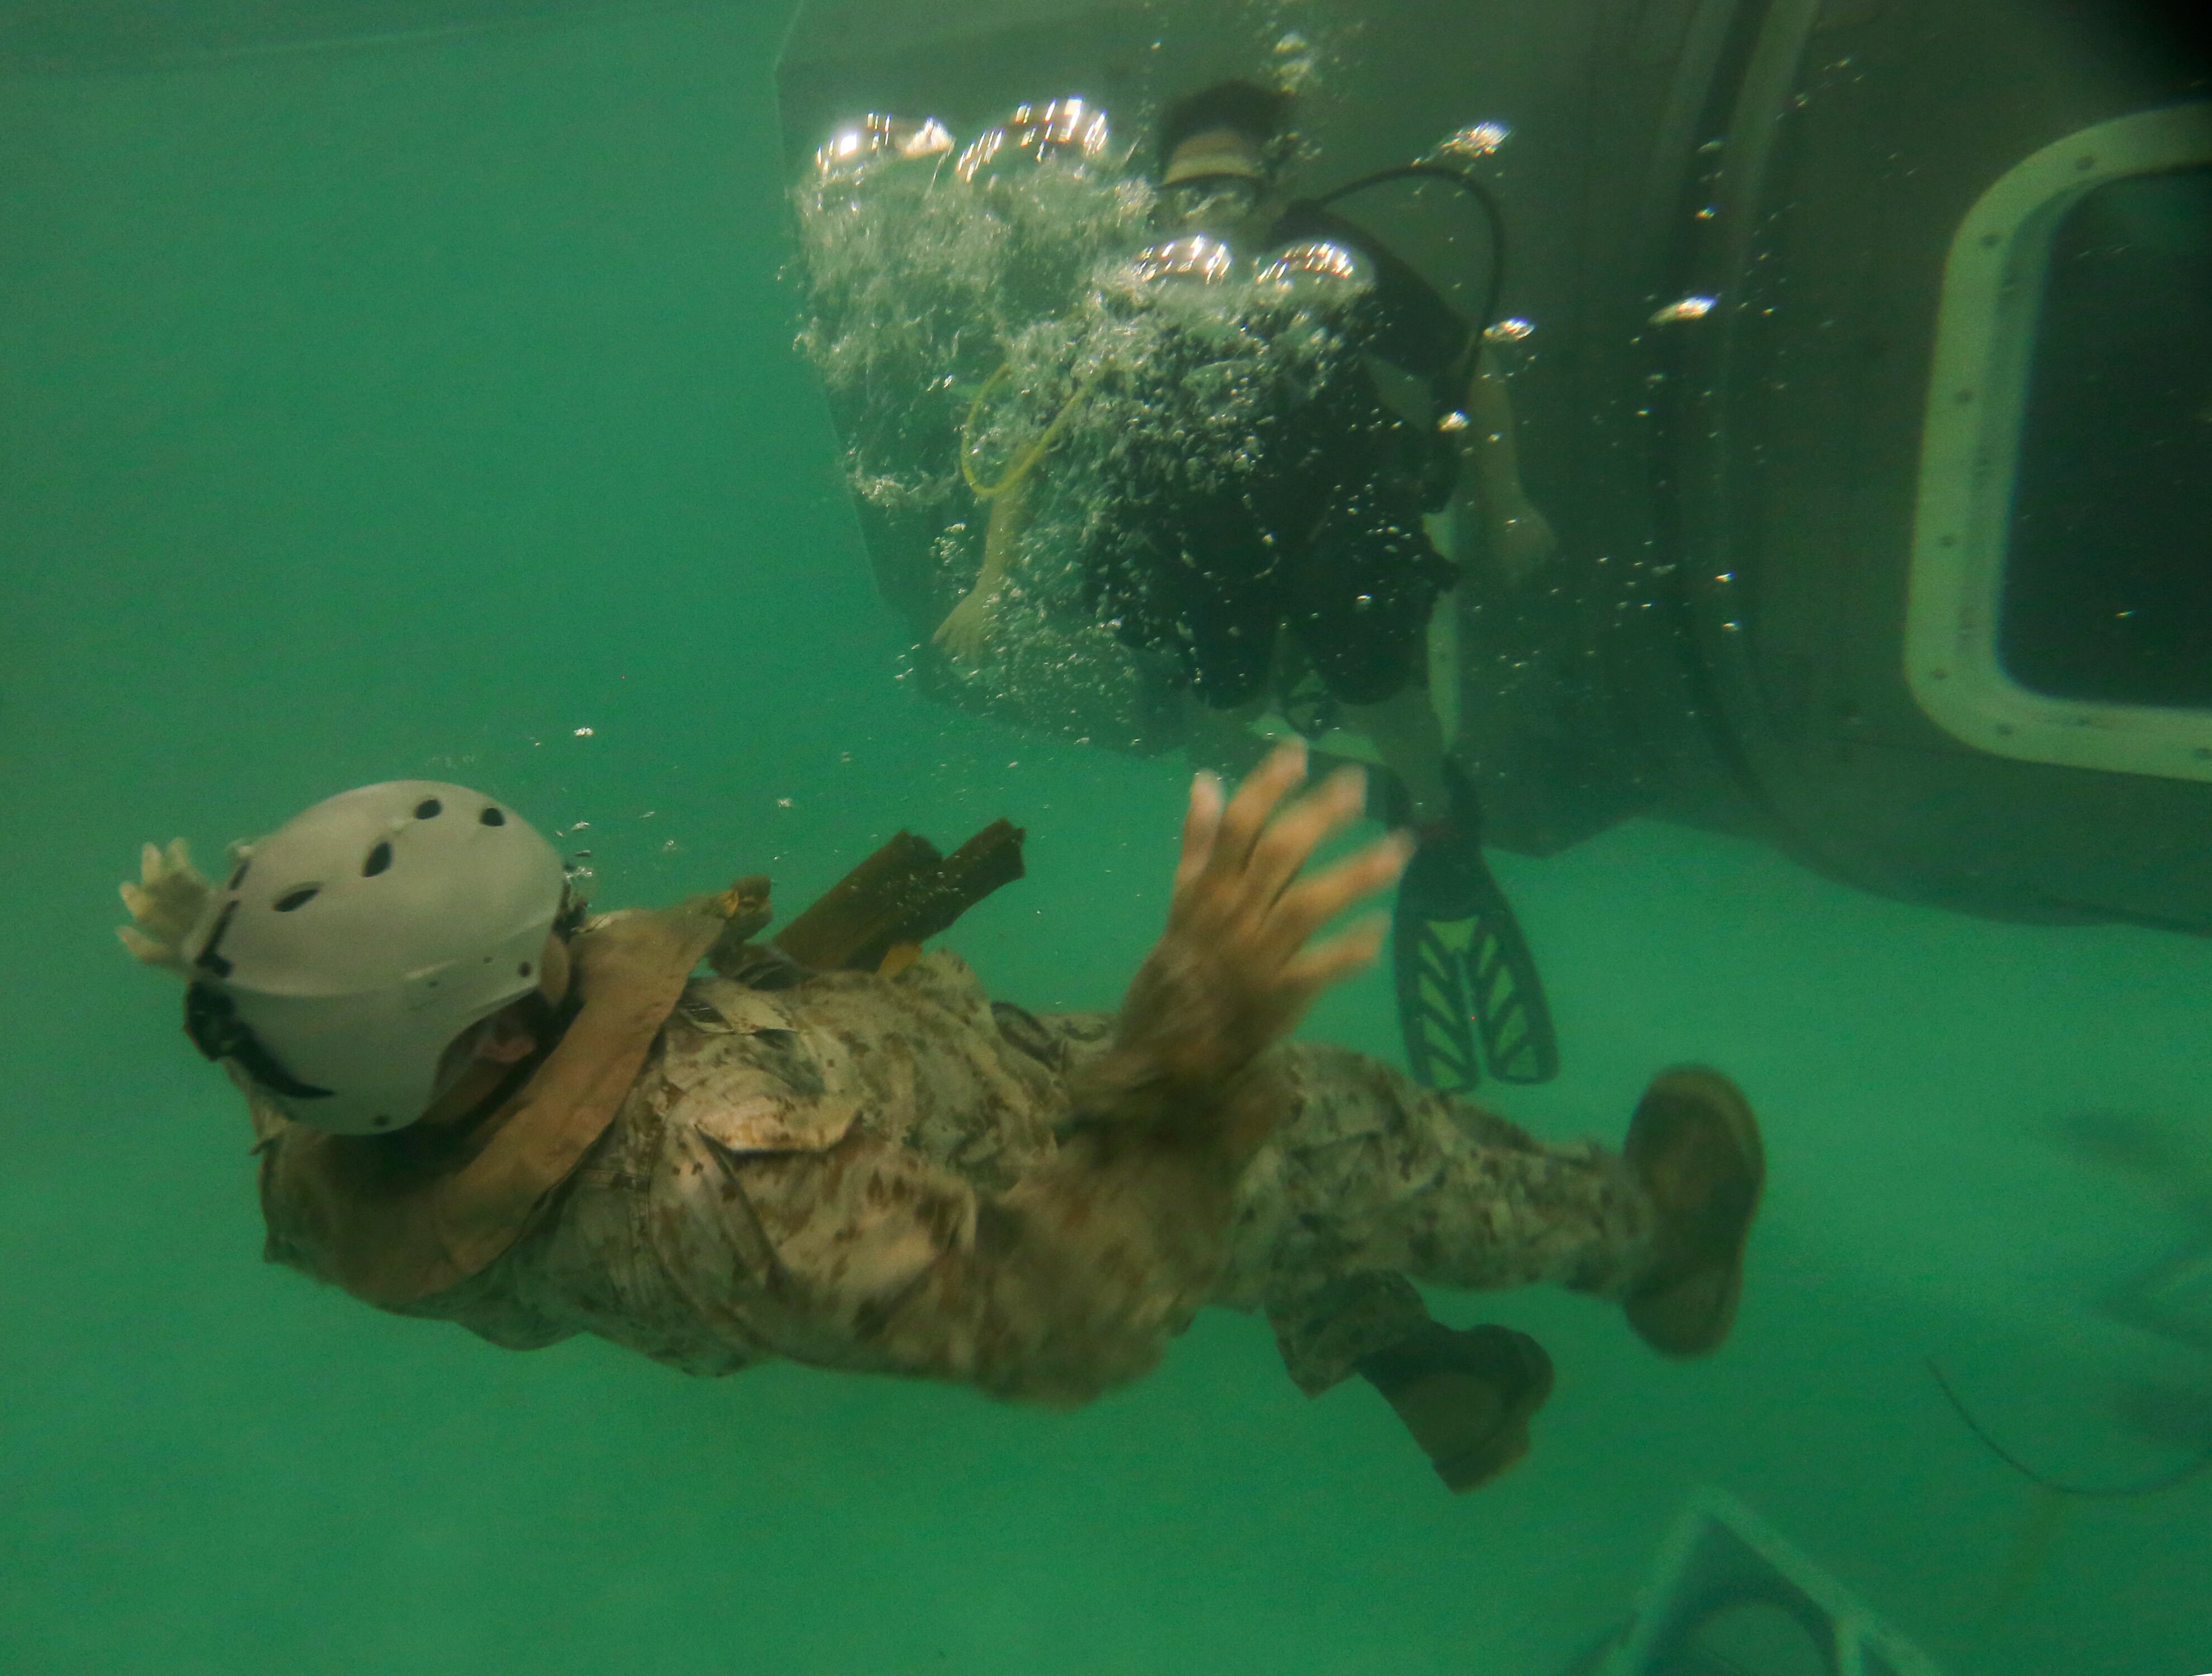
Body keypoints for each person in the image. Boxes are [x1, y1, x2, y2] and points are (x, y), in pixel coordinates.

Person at [119, 745, 1762, 1493]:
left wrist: (229, 939)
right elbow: (1062, 1319)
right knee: (1337, 1139)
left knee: (1292, 1209)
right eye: (553, 933)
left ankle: (1435, 1381)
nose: (583, 924)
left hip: (920, 1090)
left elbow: (300, 1054)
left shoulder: (328, 1103)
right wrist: (1199, 1039)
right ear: (485, 1046)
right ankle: (1658, 1249)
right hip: (1039, 1172)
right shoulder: (726, 1172)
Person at [935, 79, 1567, 1093]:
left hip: (1333, 518)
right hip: (1203, 536)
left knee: (1379, 695)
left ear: (1275, 188)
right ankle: (1242, 852)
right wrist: (989, 579)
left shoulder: (1337, 261)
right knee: (1224, 707)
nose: (1207, 213)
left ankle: (1440, 819)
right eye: (1187, 193)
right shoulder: (1134, 281)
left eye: (1229, 187)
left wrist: (1507, 500)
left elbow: (1468, 360)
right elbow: (1033, 442)